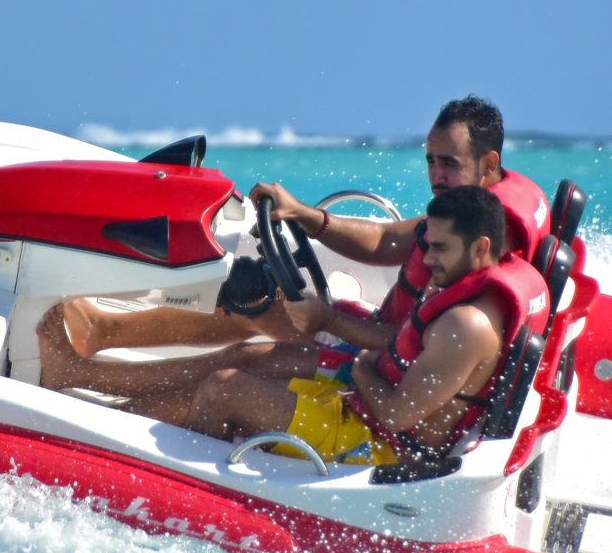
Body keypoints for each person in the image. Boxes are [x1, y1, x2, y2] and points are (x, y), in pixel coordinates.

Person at [44, 94, 548, 366]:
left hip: (382, 357)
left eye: (449, 163)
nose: (436, 174)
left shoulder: (482, 235)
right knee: (262, 308)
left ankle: (92, 376)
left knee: (252, 345)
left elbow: (416, 344)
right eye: (431, 161)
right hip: (382, 336)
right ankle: (104, 335)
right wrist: (307, 215)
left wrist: (332, 322)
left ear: (489, 164)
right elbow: (392, 241)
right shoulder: (478, 208)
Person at [58, 186, 542, 466]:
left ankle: (181, 478)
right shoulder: (466, 286)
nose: (428, 258)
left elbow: (397, 415)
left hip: (379, 447)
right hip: (366, 406)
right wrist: (367, 359)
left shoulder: (467, 324)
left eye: (439, 249)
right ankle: (101, 408)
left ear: (481, 248)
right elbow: (402, 349)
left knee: (223, 390)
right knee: (247, 359)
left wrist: (365, 364)